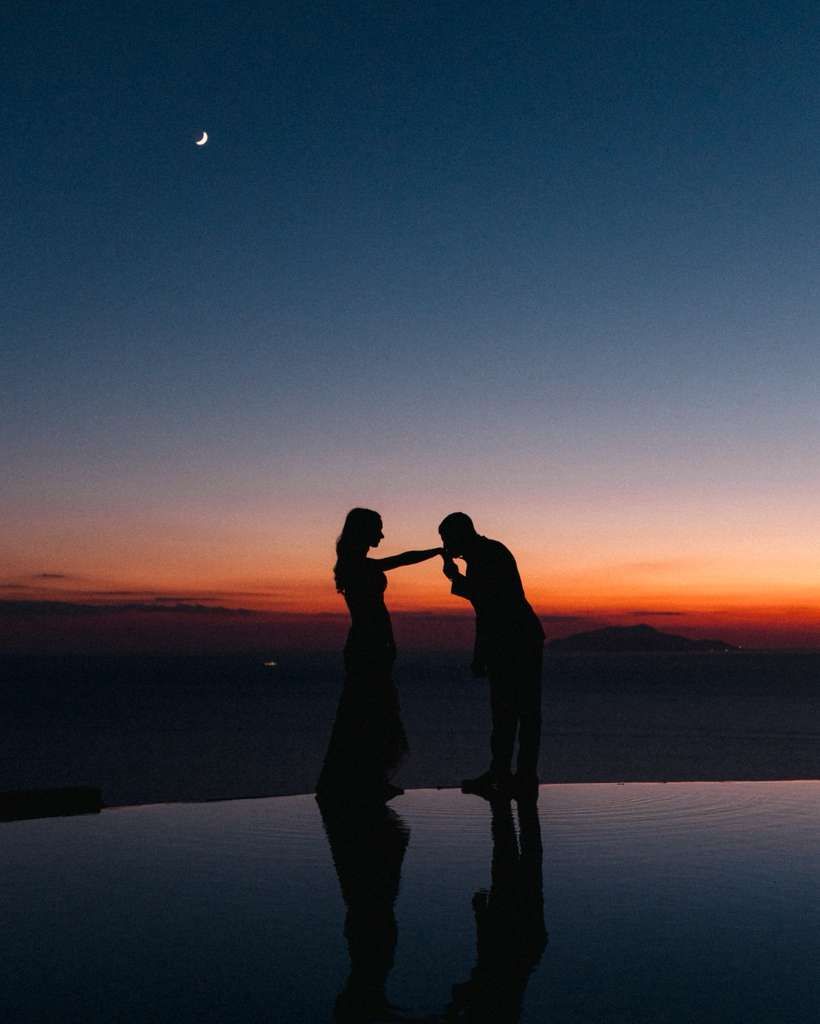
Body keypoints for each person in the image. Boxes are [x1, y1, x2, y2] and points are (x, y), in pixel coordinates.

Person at [316, 508, 443, 803]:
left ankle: (368, 778)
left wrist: (434, 552)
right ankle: (366, 780)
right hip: (367, 647)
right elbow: (398, 561)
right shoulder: (356, 565)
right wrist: (435, 552)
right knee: (368, 713)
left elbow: (398, 560)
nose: (382, 535)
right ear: (363, 531)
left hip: (371, 646)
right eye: (378, 529)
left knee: (370, 713)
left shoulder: (356, 563)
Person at [438, 513, 545, 801]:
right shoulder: (483, 555)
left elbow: (489, 602)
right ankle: (502, 773)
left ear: (460, 536)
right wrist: (480, 653)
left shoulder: (489, 555)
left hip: (518, 640)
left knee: (522, 711)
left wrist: (455, 578)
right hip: (509, 640)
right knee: (506, 711)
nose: (445, 545)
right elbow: (484, 610)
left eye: (446, 539)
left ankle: (522, 776)